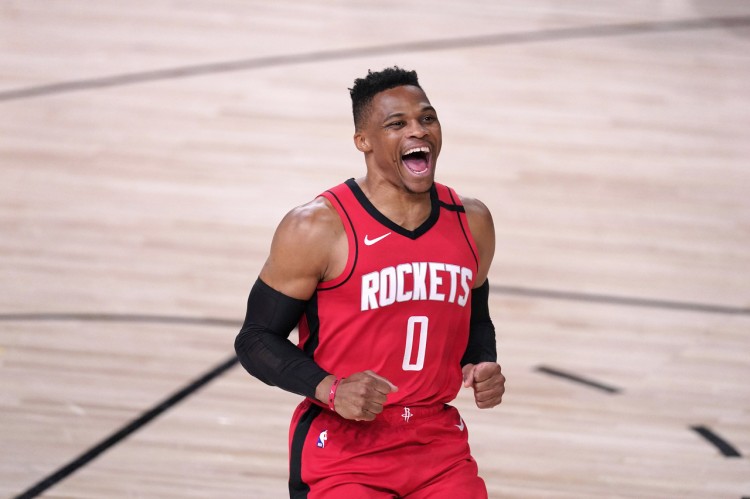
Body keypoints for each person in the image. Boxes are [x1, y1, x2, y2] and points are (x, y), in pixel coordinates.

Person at [235, 66, 505, 499]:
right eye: (397, 124)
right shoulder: (318, 227)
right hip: (344, 448)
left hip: (437, 444)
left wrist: (481, 361)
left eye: (427, 118)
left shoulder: (472, 221)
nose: (418, 130)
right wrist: (331, 389)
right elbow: (255, 339)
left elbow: (476, 317)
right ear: (363, 141)